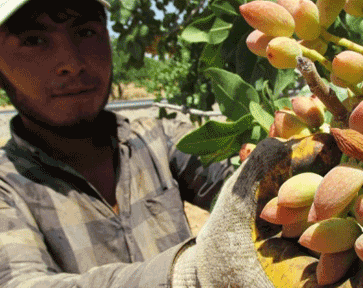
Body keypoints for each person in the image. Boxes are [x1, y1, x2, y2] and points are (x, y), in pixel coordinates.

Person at [0, 0, 234, 286]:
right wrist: (184, 274)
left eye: (85, 32)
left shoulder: (159, 139)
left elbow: (243, 178)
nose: (71, 64)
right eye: (34, 40)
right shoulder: (6, 187)